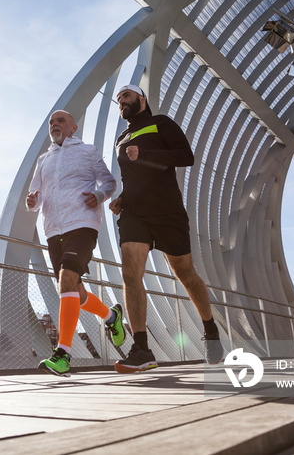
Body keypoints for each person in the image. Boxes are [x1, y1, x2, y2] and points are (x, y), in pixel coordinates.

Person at [109, 85, 224, 373]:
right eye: (119, 98)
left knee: (185, 273)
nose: (121, 100)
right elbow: (133, 175)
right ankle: (141, 348)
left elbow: (186, 156)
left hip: (168, 211)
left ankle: (210, 330)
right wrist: (122, 198)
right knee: (130, 273)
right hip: (135, 213)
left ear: (141, 100)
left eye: (127, 96)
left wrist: (145, 152)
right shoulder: (121, 139)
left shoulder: (161, 123)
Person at [27, 110, 123, 377]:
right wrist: (32, 202)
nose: (54, 125)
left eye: (60, 121)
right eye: (51, 123)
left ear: (73, 127)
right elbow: (36, 195)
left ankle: (63, 354)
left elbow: (109, 182)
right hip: (52, 229)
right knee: (74, 290)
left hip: (82, 223)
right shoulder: (43, 160)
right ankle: (112, 317)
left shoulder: (88, 152)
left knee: (68, 277)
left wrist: (99, 194)